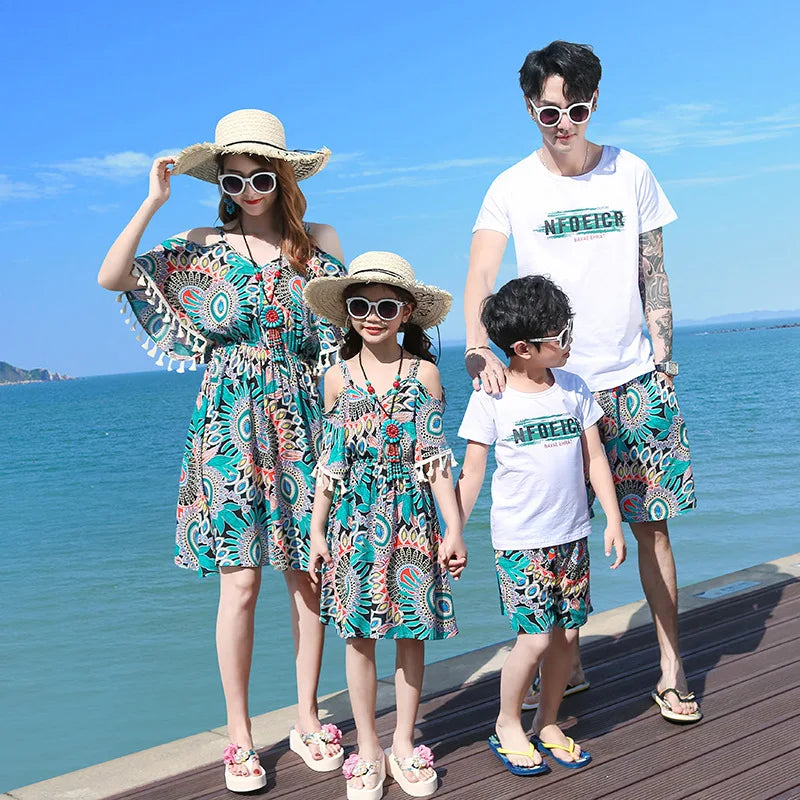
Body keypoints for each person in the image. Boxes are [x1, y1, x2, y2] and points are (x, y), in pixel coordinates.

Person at [97, 109, 347, 792]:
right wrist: (153, 201)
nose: (249, 190)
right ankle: (238, 737)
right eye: (234, 179)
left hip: (303, 423)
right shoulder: (204, 244)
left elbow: (341, 346)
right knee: (240, 583)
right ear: (222, 181)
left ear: (285, 176)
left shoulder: (316, 243)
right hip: (229, 425)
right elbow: (113, 276)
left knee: (309, 577)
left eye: (262, 176)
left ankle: (305, 714)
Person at [464, 41, 701, 723]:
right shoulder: (511, 186)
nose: (563, 122)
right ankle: (564, 667)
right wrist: (481, 350)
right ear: (528, 108)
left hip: (633, 380)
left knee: (651, 527)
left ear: (594, 103)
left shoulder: (632, 172)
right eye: (548, 112)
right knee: (556, 537)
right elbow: (482, 272)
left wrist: (663, 355)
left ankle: (670, 665)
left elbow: (653, 270)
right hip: (553, 386)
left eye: (575, 109)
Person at [304, 251, 467, 799]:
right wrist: (317, 531)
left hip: (412, 520)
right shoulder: (333, 379)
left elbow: (436, 459)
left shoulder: (424, 373)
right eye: (360, 305)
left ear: (406, 312)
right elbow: (329, 464)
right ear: (346, 312)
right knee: (357, 637)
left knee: (411, 634)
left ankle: (402, 744)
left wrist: (455, 528)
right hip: (353, 520)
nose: (372, 315)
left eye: (385, 305)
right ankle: (368, 749)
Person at [456, 275, 626, 775]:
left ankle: (548, 722)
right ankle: (508, 722)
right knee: (532, 639)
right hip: (521, 542)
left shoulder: (573, 388)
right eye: (561, 336)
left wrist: (612, 519)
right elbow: (471, 472)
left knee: (567, 636)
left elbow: (595, 459)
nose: (570, 342)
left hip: (572, 533)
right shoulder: (492, 396)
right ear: (524, 348)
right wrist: (454, 531)